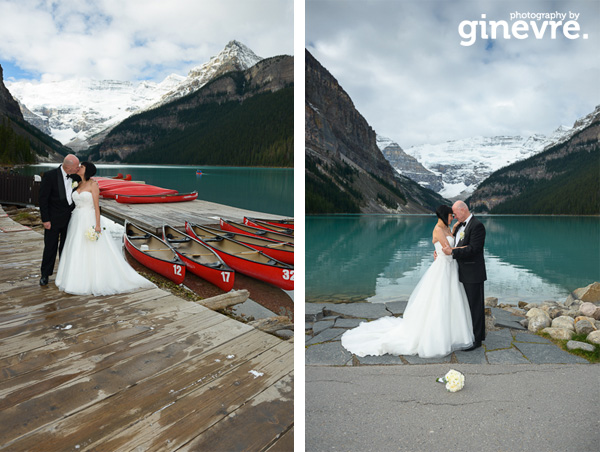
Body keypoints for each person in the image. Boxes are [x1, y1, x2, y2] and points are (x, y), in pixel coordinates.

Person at [341, 205, 474, 359]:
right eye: (451, 215)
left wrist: (456, 228)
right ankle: (437, 337)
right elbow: (447, 249)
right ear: (445, 215)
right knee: (439, 300)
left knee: (451, 300)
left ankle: (453, 333)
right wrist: (467, 249)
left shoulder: (445, 228)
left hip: (450, 267)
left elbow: (448, 243)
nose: (453, 218)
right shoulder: (438, 229)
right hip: (443, 268)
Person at [55, 162, 155, 296]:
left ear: (87, 170)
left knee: (91, 248)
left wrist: (97, 225)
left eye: (82, 167)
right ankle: (74, 277)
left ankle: (92, 280)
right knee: (76, 247)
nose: (79, 168)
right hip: (76, 219)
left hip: (88, 218)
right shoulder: (77, 183)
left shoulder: (93, 184)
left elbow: (97, 207)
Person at [442, 200, 487, 350]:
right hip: (461, 271)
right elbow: (455, 244)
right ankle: (471, 333)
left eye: (455, 214)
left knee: (475, 306)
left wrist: (453, 252)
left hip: (473, 272)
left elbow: (474, 249)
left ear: (462, 210)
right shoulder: (460, 226)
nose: (454, 217)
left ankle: (477, 339)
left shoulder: (477, 226)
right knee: (466, 306)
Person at [39, 154, 80, 286]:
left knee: (65, 247)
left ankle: (64, 273)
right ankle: (45, 274)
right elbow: (43, 199)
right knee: (50, 247)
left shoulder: (76, 177)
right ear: (68, 167)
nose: (78, 169)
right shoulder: (49, 176)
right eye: (76, 166)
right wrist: (45, 219)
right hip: (53, 220)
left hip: (70, 219)